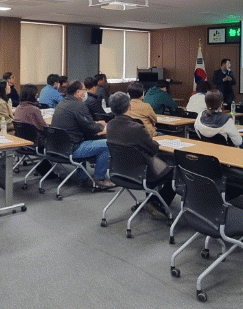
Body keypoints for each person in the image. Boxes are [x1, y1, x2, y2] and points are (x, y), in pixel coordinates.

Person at [106, 92, 175, 220]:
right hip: (141, 174)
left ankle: (151, 200)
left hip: (119, 172)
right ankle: (157, 203)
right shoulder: (137, 128)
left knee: (146, 162)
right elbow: (153, 149)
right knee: (174, 171)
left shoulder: (110, 125)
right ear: (129, 107)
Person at [50, 80, 115, 188]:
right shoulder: (79, 106)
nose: (85, 92)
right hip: (70, 149)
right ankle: (99, 178)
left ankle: (82, 177)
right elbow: (91, 127)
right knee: (107, 144)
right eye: (84, 90)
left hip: (57, 148)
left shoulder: (62, 103)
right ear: (78, 92)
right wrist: (101, 125)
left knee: (83, 140)